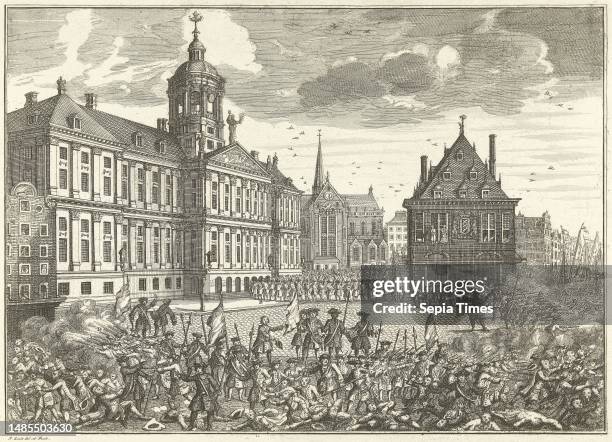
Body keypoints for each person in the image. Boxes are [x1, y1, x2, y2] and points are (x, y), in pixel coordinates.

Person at [180, 362, 220, 431]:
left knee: (210, 411)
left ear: (203, 369)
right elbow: (187, 379)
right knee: (194, 411)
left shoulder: (208, 376)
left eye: (199, 368)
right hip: (198, 396)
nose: (198, 370)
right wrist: (189, 370)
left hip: (208, 396)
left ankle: (209, 427)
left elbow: (216, 387)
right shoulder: (196, 376)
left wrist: (214, 395)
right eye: (197, 368)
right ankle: (191, 426)